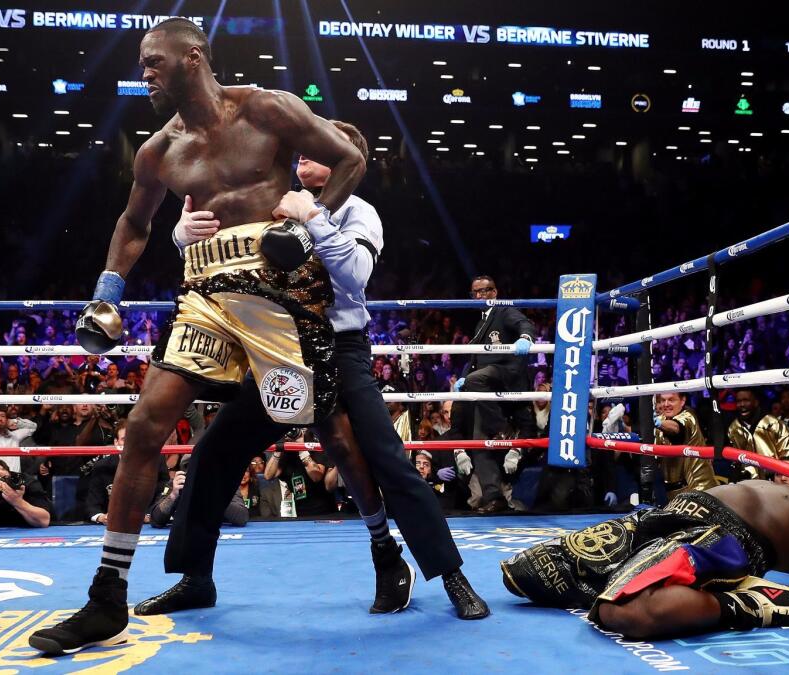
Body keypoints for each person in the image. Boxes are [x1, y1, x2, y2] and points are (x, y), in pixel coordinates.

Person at [28, 18, 376, 655]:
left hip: (282, 295)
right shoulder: (160, 150)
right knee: (143, 424)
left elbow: (350, 158)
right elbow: (133, 222)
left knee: (331, 432)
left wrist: (308, 226)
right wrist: (108, 291)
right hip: (207, 296)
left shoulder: (268, 109)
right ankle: (107, 596)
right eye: (141, 65)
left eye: (153, 62)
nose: (145, 74)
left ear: (193, 57)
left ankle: (385, 545)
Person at [133, 120, 486, 623]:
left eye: (317, 152)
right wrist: (180, 235)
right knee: (215, 449)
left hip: (340, 345)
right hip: (274, 346)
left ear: (346, 156)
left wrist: (314, 219)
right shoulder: (272, 199)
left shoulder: (360, 211)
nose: (302, 159)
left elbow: (355, 277)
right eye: (301, 151)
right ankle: (195, 578)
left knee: (384, 457)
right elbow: (224, 251)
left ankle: (449, 574)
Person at [500, 427, 789, 652]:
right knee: (527, 571)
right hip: (670, 515)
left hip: (721, 538)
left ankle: (749, 603)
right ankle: (624, 576)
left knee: (624, 612)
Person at [451, 275, 536, 513]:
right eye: (476, 292)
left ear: (495, 292)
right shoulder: (480, 324)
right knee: (480, 441)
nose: (481, 296)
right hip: (486, 391)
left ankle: (502, 428)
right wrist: (464, 377)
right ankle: (494, 496)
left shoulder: (503, 311)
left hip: (507, 377)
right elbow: (477, 360)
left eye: (486, 291)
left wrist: (525, 338)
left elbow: (525, 324)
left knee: (477, 379)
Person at [653, 392, 716, 500]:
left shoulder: (688, 416)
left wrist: (657, 423)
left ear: (682, 401)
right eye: (663, 400)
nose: (666, 404)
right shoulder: (662, 419)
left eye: (671, 400)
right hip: (673, 490)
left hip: (699, 488)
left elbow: (676, 428)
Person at [727, 388, 789, 483]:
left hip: (774, 483)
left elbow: (788, 458)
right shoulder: (734, 428)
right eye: (739, 401)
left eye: (746, 400)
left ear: (756, 402)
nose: (742, 404)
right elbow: (736, 461)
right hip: (747, 483)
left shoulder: (774, 424)